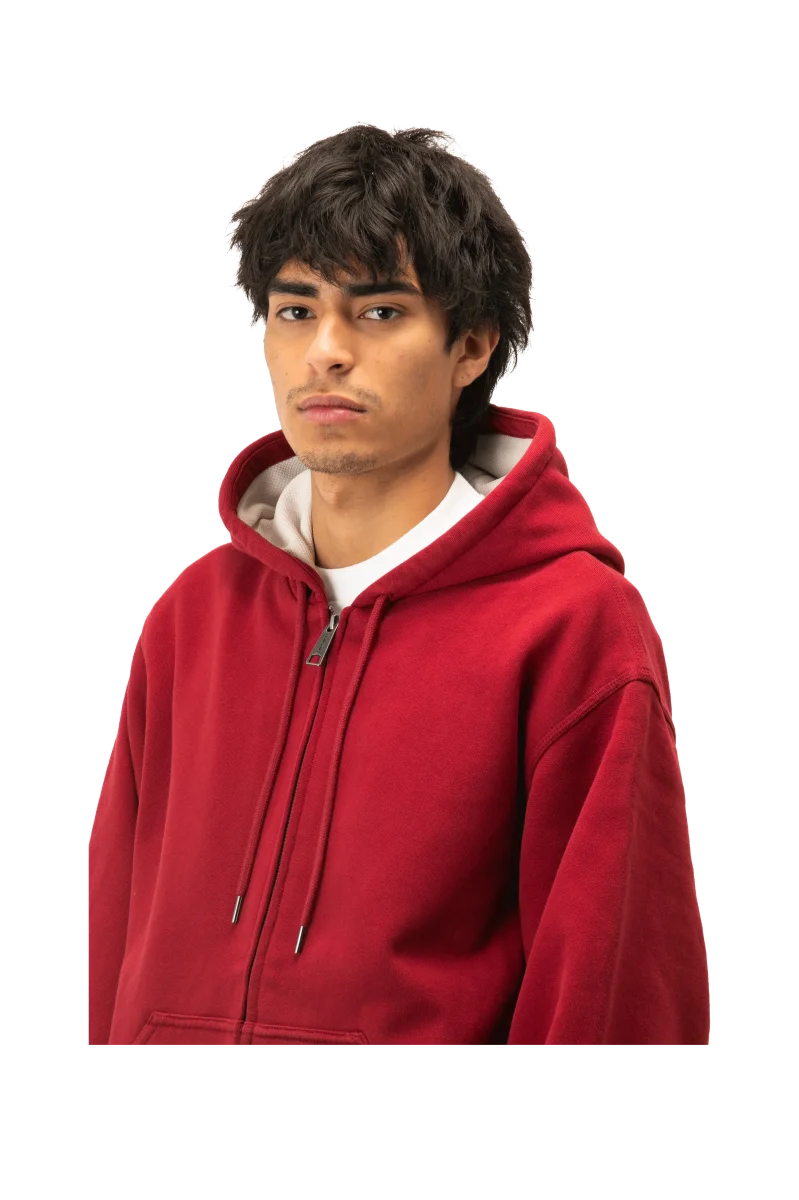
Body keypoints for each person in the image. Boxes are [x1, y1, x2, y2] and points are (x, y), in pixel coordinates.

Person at [88, 124, 709, 1047]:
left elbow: (612, 986)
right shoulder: (195, 616)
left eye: (378, 311)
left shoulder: (570, 626)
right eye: (295, 310)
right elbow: (111, 934)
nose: (325, 352)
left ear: (471, 347)